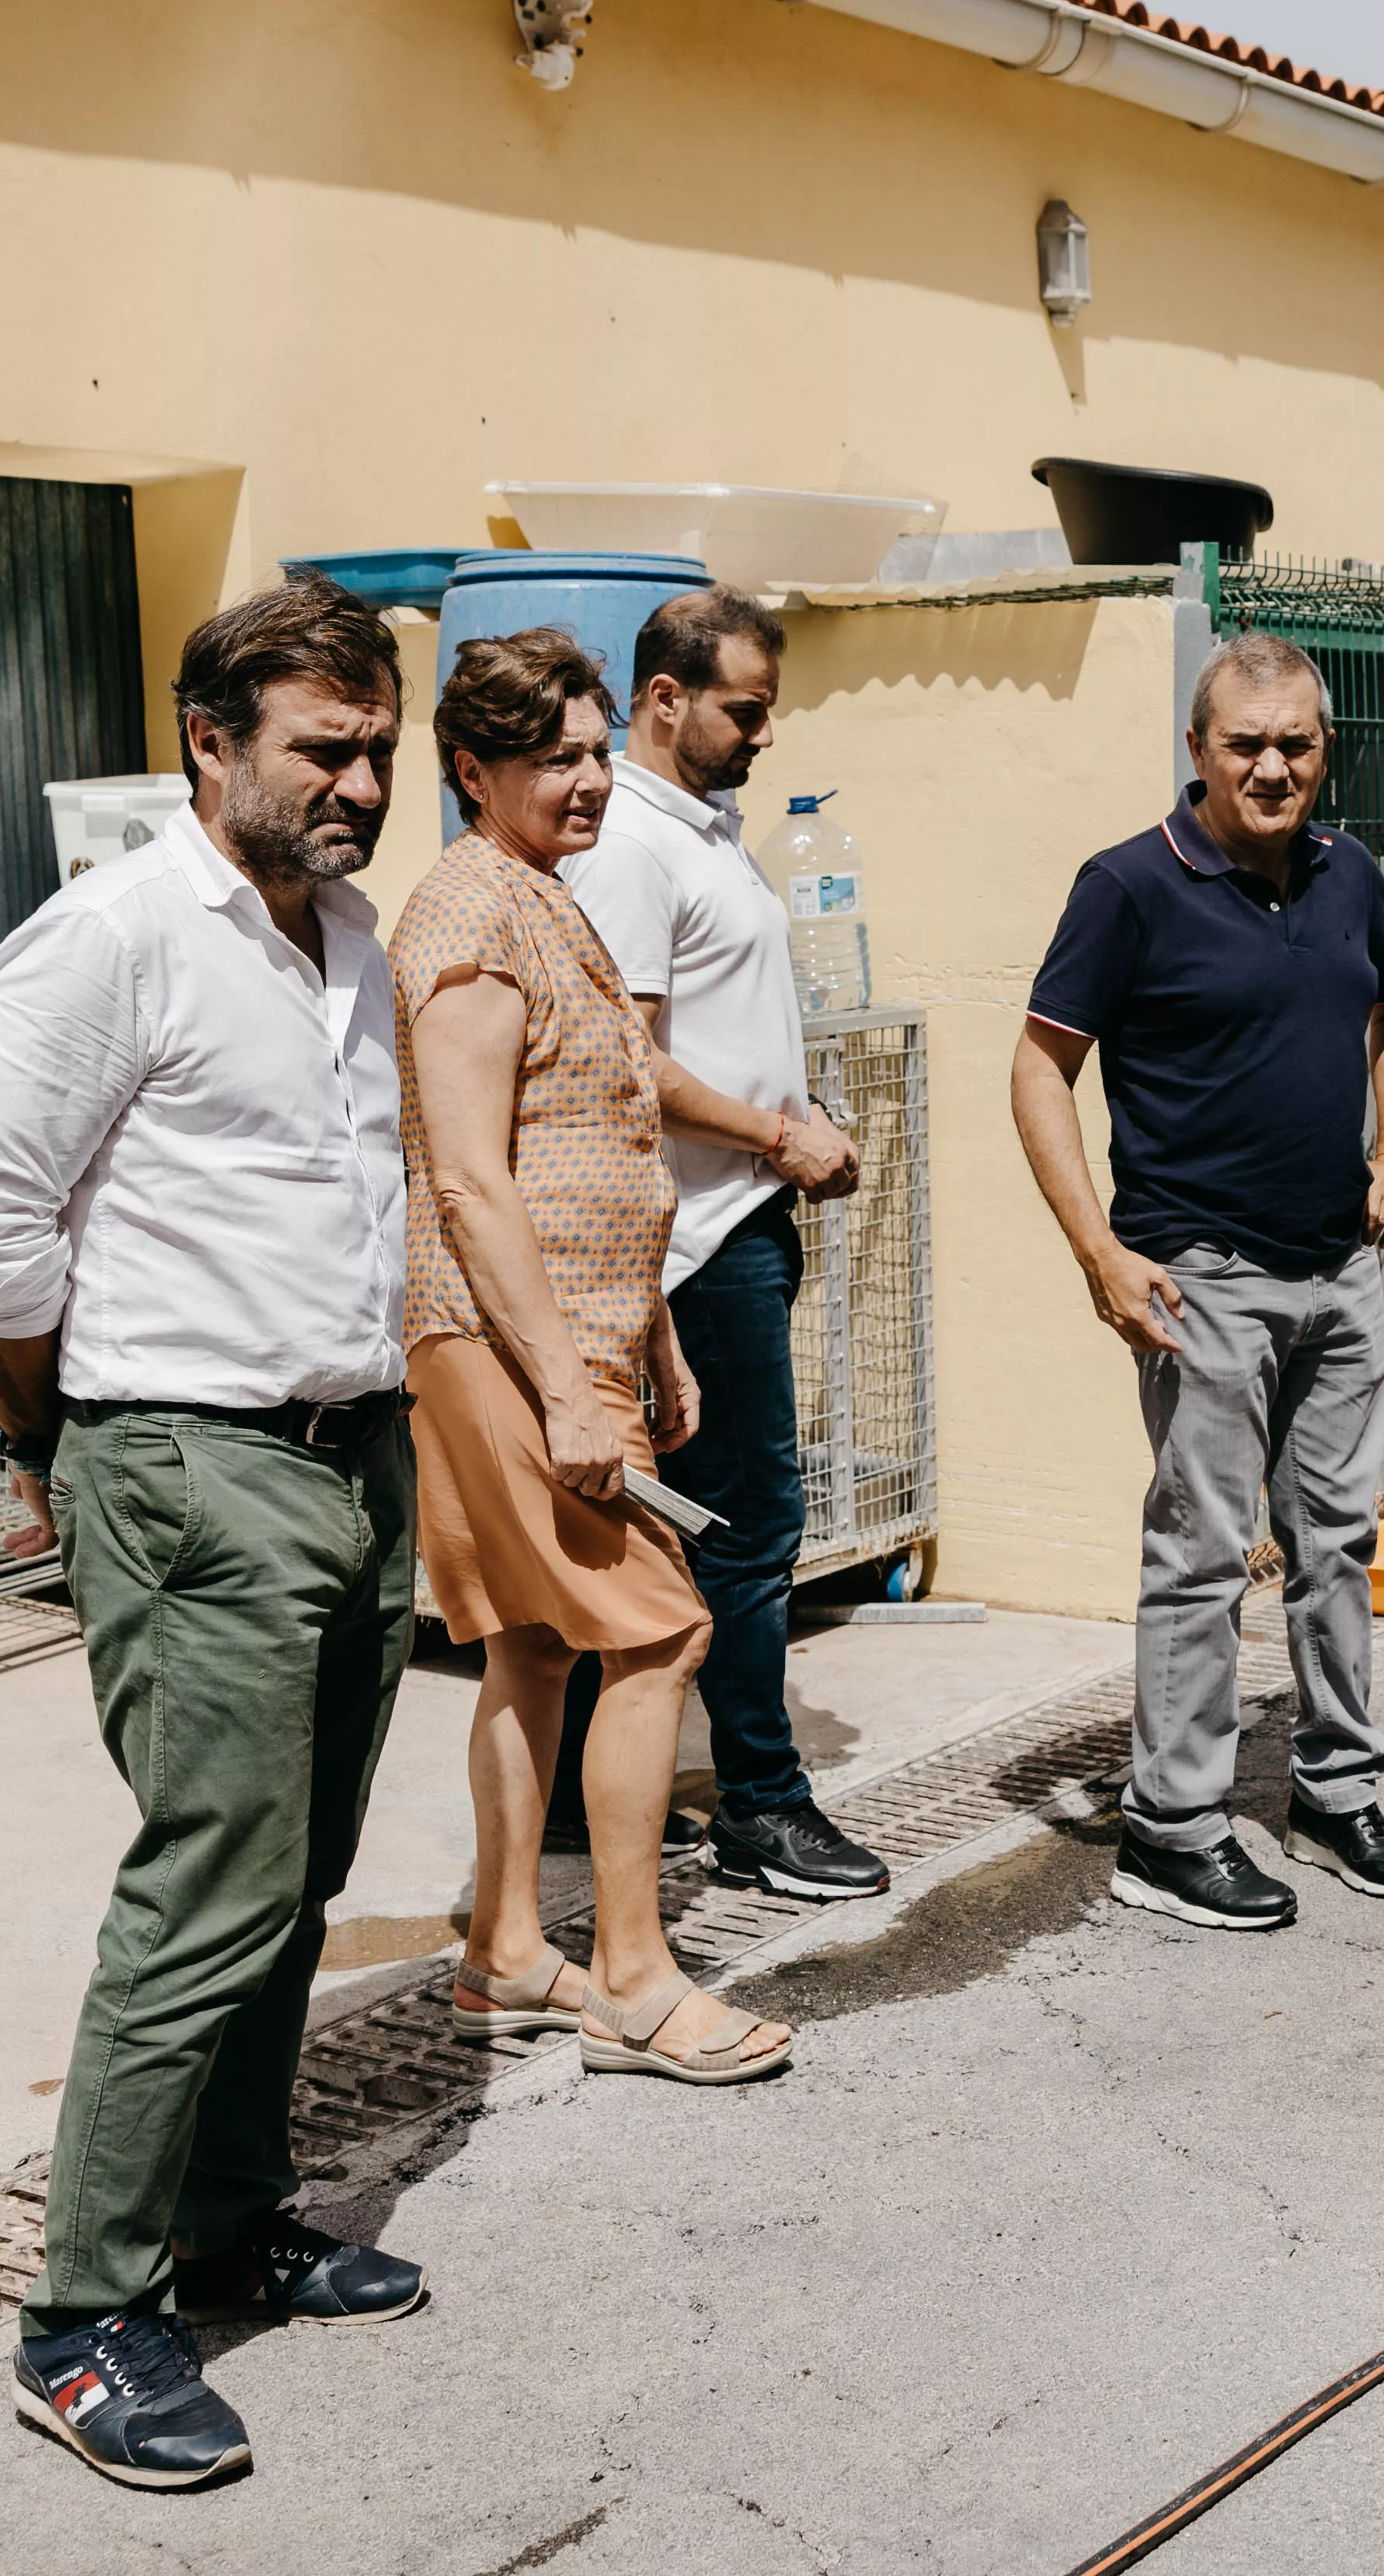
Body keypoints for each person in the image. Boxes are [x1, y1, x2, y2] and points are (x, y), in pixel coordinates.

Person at [0, 573, 430, 2495]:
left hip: (351, 1459)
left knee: (296, 1879)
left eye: (376, 746)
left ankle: (227, 2217)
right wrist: (61, 1440)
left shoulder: (348, 938)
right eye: (324, 746)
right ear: (207, 744)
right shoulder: (106, 944)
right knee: (204, 1887)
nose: (360, 780)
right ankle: (81, 2318)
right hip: (187, 1460)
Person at [396, 627, 794, 2087]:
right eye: (548, 758)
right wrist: (569, 1383)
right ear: (473, 769)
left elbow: (606, 1140)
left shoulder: (544, 897)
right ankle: (630, 1978)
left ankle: (505, 1953)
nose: (583, 781)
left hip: (580, 1332)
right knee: (656, 1626)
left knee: (535, 1638)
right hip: (507, 1342)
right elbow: (469, 1178)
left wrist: (656, 1333)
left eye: (590, 751)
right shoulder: (469, 919)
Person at [1009, 631, 1384, 1931]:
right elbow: (1038, 1068)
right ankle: (1172, 1825)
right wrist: (1097, 1250)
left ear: (1323, 749)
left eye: (1294, 744)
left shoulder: (1349, 870)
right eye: (1243, 743)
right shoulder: (1129, 885)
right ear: (1198, 750)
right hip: (1200, 1276)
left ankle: (1335, 1789)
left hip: (1336, 1270)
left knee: (1338, 1544)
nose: (1269, 766)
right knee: (1200, 1558)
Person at [557, 585, 884, 1904]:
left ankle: (597, 1788)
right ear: (665, 699)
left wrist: (792, 1117)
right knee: (752, 1524)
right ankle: (761, 1801)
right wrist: (774, 1135)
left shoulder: (700, 832)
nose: (763, 733)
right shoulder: (635, 845)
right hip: (699, 1238)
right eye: (745, 709)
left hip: (730, 1211)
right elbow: (630, 1062)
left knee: (672, 1524)